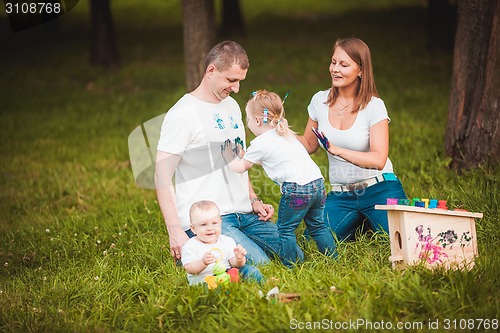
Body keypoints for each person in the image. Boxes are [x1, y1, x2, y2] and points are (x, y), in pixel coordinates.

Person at [155, 40, 281, 265]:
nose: (237, 88)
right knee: (261, 266)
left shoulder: (232, 106)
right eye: (231, 80)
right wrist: (175, 231)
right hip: (211, 222)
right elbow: (161, 176)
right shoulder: (182, 114)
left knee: (293, 254)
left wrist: (254, 200)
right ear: (211, 70)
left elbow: (239, 160)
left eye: (240, 81)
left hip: (245, 215)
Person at [297, 37, 407, 241]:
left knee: (401, 240)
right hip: (341, 195)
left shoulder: (374, 106)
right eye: (333, 62)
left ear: (361, 70)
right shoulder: (319, 101)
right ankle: (361, 221)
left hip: (379, 188)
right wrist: (281, 133)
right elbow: (309, 144)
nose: (335, 69)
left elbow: (378, 159)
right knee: (311, 242)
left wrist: (337, 150)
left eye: (344, 64)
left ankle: (366, 219)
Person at [222, 90, 335, 267]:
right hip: (318, 185)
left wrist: (228, 154)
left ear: (257, 121)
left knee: (286, 230)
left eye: (249, 120)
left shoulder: (260, 143)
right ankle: (333, 259)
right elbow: (268, 159)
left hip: (297, 191)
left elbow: (239, 167)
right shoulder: (285, 133)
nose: (249, 124)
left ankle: (291, 265)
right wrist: (246, 155)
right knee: (318, 225)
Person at [182, 200, 263, 285]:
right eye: (203, 225)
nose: (210, 228)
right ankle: (224, 292)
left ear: (220, 222)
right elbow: (189, 269)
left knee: (249, 270)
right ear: (193, 228)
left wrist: (239, 258)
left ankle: (264, 285)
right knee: (213, 287)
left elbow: (235, 264)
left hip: (227, 274)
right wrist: (203, 262)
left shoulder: (226, 241)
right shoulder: (190, 245)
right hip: (206, 280)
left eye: (214, 223)